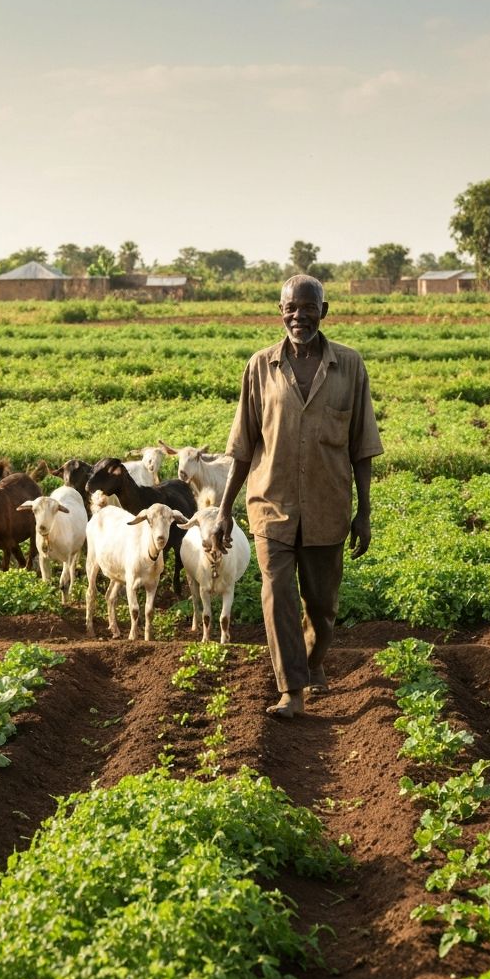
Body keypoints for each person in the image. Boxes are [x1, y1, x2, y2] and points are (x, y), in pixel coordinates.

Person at [211, 274, 383, 718]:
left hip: (328, 507)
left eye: (308, 308)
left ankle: (312, 660)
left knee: (322, 608)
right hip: (271, 504)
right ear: (280, 312)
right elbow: (242, 446)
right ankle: (292, 690)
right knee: (277, 592)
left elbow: (362, 447)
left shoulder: (350, 366)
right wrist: (224, 510)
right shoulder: (259, 367)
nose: (299, 316)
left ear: (323, 311)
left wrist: (364, 512)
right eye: (291, 308)